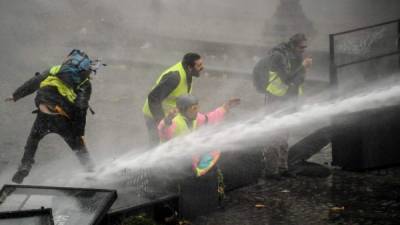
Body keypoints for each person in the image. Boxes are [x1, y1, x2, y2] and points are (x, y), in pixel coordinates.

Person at [5, 49, 100, 184]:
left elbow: (35, 81)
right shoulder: (85, 83)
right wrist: (79, 132)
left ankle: (25, 166)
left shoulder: (55, 69)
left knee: (33, 140)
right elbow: (81, 107)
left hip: (45, 109)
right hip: (63, 117)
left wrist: (16, 95)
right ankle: (92, 172)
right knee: (78, 147)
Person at [252, 33, 312, 179]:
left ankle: (282, 167)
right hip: (275, 99)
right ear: (293, 45)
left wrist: (302, 71)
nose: (303, 50)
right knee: (274, 133)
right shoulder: (279, 56)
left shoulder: (296, 56)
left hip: (289, 98)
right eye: (301, 47)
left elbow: (297, 80)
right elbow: (286, 79)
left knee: (284, 133)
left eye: (305, 47)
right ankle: (271, 171)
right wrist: (303, 67)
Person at [142, 53, 204, 147]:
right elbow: (153, 98)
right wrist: (162, 123)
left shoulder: (187, 73)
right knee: (157, 146)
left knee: (169, 145)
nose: (202, 67)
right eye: (199, 65)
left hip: (170, 117)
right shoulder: (174, 78)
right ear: (189, 67)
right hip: (154, 114)